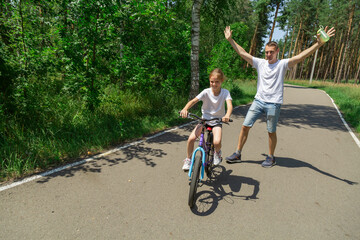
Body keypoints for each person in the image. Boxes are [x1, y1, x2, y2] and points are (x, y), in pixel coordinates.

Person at [224, 25, 335, 168]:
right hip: (258, 101)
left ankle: (271, 157)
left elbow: (301, 56)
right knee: (245, 126)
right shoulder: (260, 63)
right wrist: (230, 40)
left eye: (271, 52)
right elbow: (243, 53)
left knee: (271, 131)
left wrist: (318, 44)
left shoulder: (282, 64)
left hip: (273, 103)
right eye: (266, 52)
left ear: (277, 51)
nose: (268, 55)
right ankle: (238, 153)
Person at [180, 68, 233, 171]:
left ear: (221, 81)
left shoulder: (225, 92)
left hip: (217, 121)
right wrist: (185, 108)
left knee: (217, 142)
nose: (214, 84)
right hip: (204, 120)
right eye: (212, 81)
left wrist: (227, 115)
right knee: (191, 139)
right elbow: (193, 101)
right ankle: (188, 159)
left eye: (217, 82)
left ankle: (217, 153)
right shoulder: (206, 92)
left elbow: (229, 106)